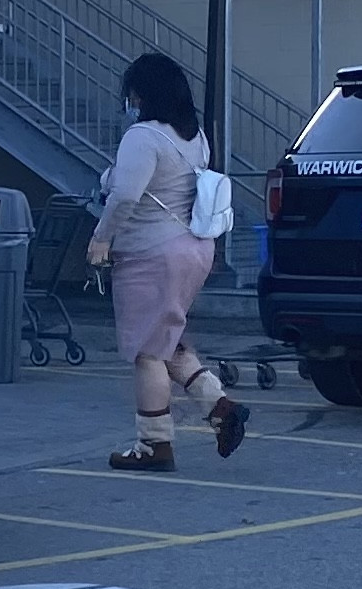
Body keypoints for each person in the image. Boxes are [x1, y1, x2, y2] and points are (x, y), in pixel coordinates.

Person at [85, 51, 250, 472]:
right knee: (164, 339)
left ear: (142, 93)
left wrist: (100, 239)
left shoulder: (142, 136)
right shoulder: (195, 138)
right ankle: (220, 406)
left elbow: (124, 196)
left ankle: (153, 445)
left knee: (146, 352)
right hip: (194, 247)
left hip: (151, 253)